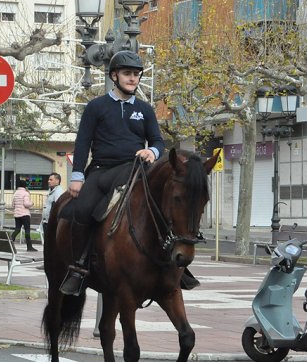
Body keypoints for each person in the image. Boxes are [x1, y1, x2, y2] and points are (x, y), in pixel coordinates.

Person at [58, 51, 200, 296]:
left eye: (135, 74)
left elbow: (157, 140)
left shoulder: (145, 109)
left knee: (162, 207)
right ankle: (79, 266)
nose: (132, 78)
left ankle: (174, 267)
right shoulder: (96, 107)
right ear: (114, 76)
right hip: (102, 171)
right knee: (80, 209)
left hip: (136, 169)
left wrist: (153, 153)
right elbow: (83, 142)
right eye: (127, 74)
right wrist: (77, 176)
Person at [11, 182, 37, 252]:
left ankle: (10, 240)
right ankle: (29, 247)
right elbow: (26, 204)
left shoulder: (15, 193)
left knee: (17, 229)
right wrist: (32, 203)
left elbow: (13, 205)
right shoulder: (25, 193)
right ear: (25, 186)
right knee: (27, 230)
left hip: (17, 214)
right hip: (25, 214)